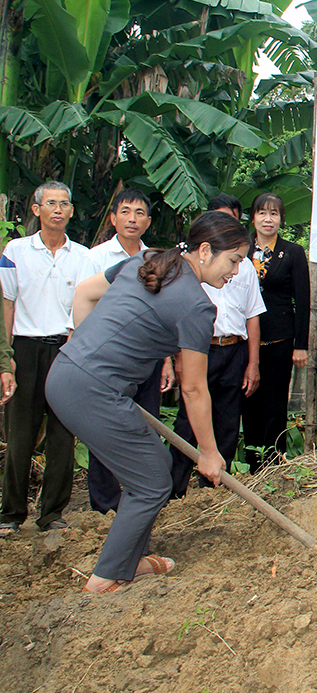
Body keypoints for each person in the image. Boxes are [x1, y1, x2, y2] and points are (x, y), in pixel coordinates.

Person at [45, 212, 248, 592]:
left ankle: (128, 561)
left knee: (150, 472)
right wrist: (208, 451)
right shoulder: (198, 307)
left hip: (66, 373)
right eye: (233, 260)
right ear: (205, 251)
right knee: (153, 482)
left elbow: (85, 294)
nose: (235, 272)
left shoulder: (148, 260)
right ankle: (104, 581)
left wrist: (86, 349)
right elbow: (193, 389)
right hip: (91, 389)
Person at [0, 181, 95, 536]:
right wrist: (5, 358)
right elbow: (6, 306)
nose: (58, 209)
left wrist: (78, 348)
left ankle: (52, 514)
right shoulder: (16, 250)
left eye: (65, 204)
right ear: (37, 209)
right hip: (24, 349)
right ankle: (11, 513)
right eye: (51, 203)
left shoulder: (83, 256)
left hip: (66, 348)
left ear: (71, 211)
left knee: (62, 435)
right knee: (20, 436)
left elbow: (87, 307)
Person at [169, 195, 265, 496]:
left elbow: (252, 315)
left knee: (226, 420)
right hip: (198, 349)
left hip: (233, 349)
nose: (233, 271)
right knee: (188, 419)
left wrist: (252, 363)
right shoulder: (180, 271)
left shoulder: (244, 267)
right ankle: (174, 490)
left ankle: (211, 491)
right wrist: (176, 358)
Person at [86, 188, 173, 514]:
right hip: (108, 358)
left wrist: (166, 360)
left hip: (147, 357)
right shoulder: (95, 258)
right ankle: (105, 504)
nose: (132, 219)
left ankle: (142, 498)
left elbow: (162, 313)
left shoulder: (157, 260)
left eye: (139, 213)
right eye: (125, 212)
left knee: (145, 426)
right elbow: (84, 301)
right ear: (113, 218)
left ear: (148, 221)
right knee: (103, 427)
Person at [242, 192, 310, 471]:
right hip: (244, 340)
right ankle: (251, 464)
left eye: (274, 214)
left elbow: (303, 300)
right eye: (262, 213)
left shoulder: (292, 252)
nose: (268, 219)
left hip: (280, 338)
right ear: (253, 217)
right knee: (248, 401)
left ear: (282, 219)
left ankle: (274, 464)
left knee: (275, 404)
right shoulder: (241, 250)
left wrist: (300, 344)